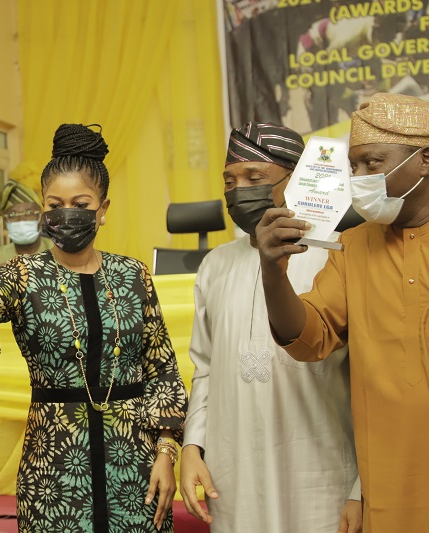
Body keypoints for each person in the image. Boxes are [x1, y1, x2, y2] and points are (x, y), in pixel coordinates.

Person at [0, 124, 188, 532]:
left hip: (136, 462)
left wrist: (166, 452)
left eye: (80, 202)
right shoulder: (24, 274)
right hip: (54, 466)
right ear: (43, 209)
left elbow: (161, 368)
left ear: (102, 209)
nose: (67, 213)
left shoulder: (133, 275)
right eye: (55, 204)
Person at [256, 92, 429, 531]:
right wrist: (273, 273)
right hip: (390, 486)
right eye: (354, 167)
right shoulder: (353, 247)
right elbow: (309, 337)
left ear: (424, 161)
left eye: (373, 162)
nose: (360, 178)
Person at [179, 122, 361, 533]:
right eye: (229, 179)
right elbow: (205, 369)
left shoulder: (339, 255)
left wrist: (360, 486)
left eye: (253, 177)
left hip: (322, 481)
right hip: (232, 480)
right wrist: (193, 447)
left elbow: (371, 377)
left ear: (294, 180)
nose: (238, 189)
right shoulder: (214, 265)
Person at [0, 178, 53, 275]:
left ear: (41, 217)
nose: (22, 219)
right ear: (6, 221)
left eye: (29, 213)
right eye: (13, 215)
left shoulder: (59, 252)